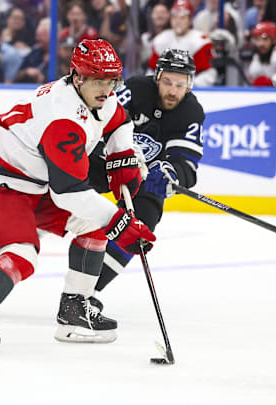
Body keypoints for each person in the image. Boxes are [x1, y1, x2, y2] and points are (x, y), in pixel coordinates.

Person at [0, 39, 156, 353]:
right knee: (20, 254)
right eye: (98, 80)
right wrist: (120, 223)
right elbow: (68, 192)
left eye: (111, 81)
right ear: (78, 77)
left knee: (92, 224)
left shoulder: (98, 98)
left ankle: (74, 314)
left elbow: (119, 120)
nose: (106, 89)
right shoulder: (64, 121)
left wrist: (122, 157)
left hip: (32, 179)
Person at [81, 48, 204, 312]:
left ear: (189, 85)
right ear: (158, 77)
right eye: (168, 82)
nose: (173, 90)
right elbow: (99, 114)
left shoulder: (191, 113)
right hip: (105, 162)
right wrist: (110, 150)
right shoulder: (136, 88)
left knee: (140, 231)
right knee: (59, 194)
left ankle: (84, 293)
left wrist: (170, 173)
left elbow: (186, 163)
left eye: (180, 85)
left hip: (145, 178)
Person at [148, 0, 215, 86]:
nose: (178, 21)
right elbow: (152, 70)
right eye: (174, 17)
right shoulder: (161, 39)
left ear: (190, 20)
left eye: (182, 17)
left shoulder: (200, 41)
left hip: (191, 90)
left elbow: (209, 73)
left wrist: (191, 86)